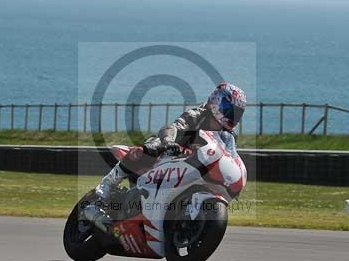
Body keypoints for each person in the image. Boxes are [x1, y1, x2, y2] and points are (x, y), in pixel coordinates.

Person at [94, 81, 247, 204]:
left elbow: (229, 157)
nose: (231, 116)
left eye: (236, 113)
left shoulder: (228, 136)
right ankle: (108, 183)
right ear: (216, 101)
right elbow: (174, 127)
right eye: (229, 109)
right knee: (153, 147)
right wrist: (168, 142)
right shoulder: (197, 115)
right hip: (171, 153)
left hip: (193, 168)